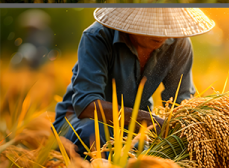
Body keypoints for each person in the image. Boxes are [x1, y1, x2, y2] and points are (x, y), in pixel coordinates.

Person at [53, 8, 215, 157]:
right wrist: (147, 121)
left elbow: (181, 103)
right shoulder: (98, 37)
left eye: (166, 25)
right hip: (79, 121)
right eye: (152, 25)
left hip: (133, 129)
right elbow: (86, 104)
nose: (161, 34)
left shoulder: (178, 44)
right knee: (95, 134)